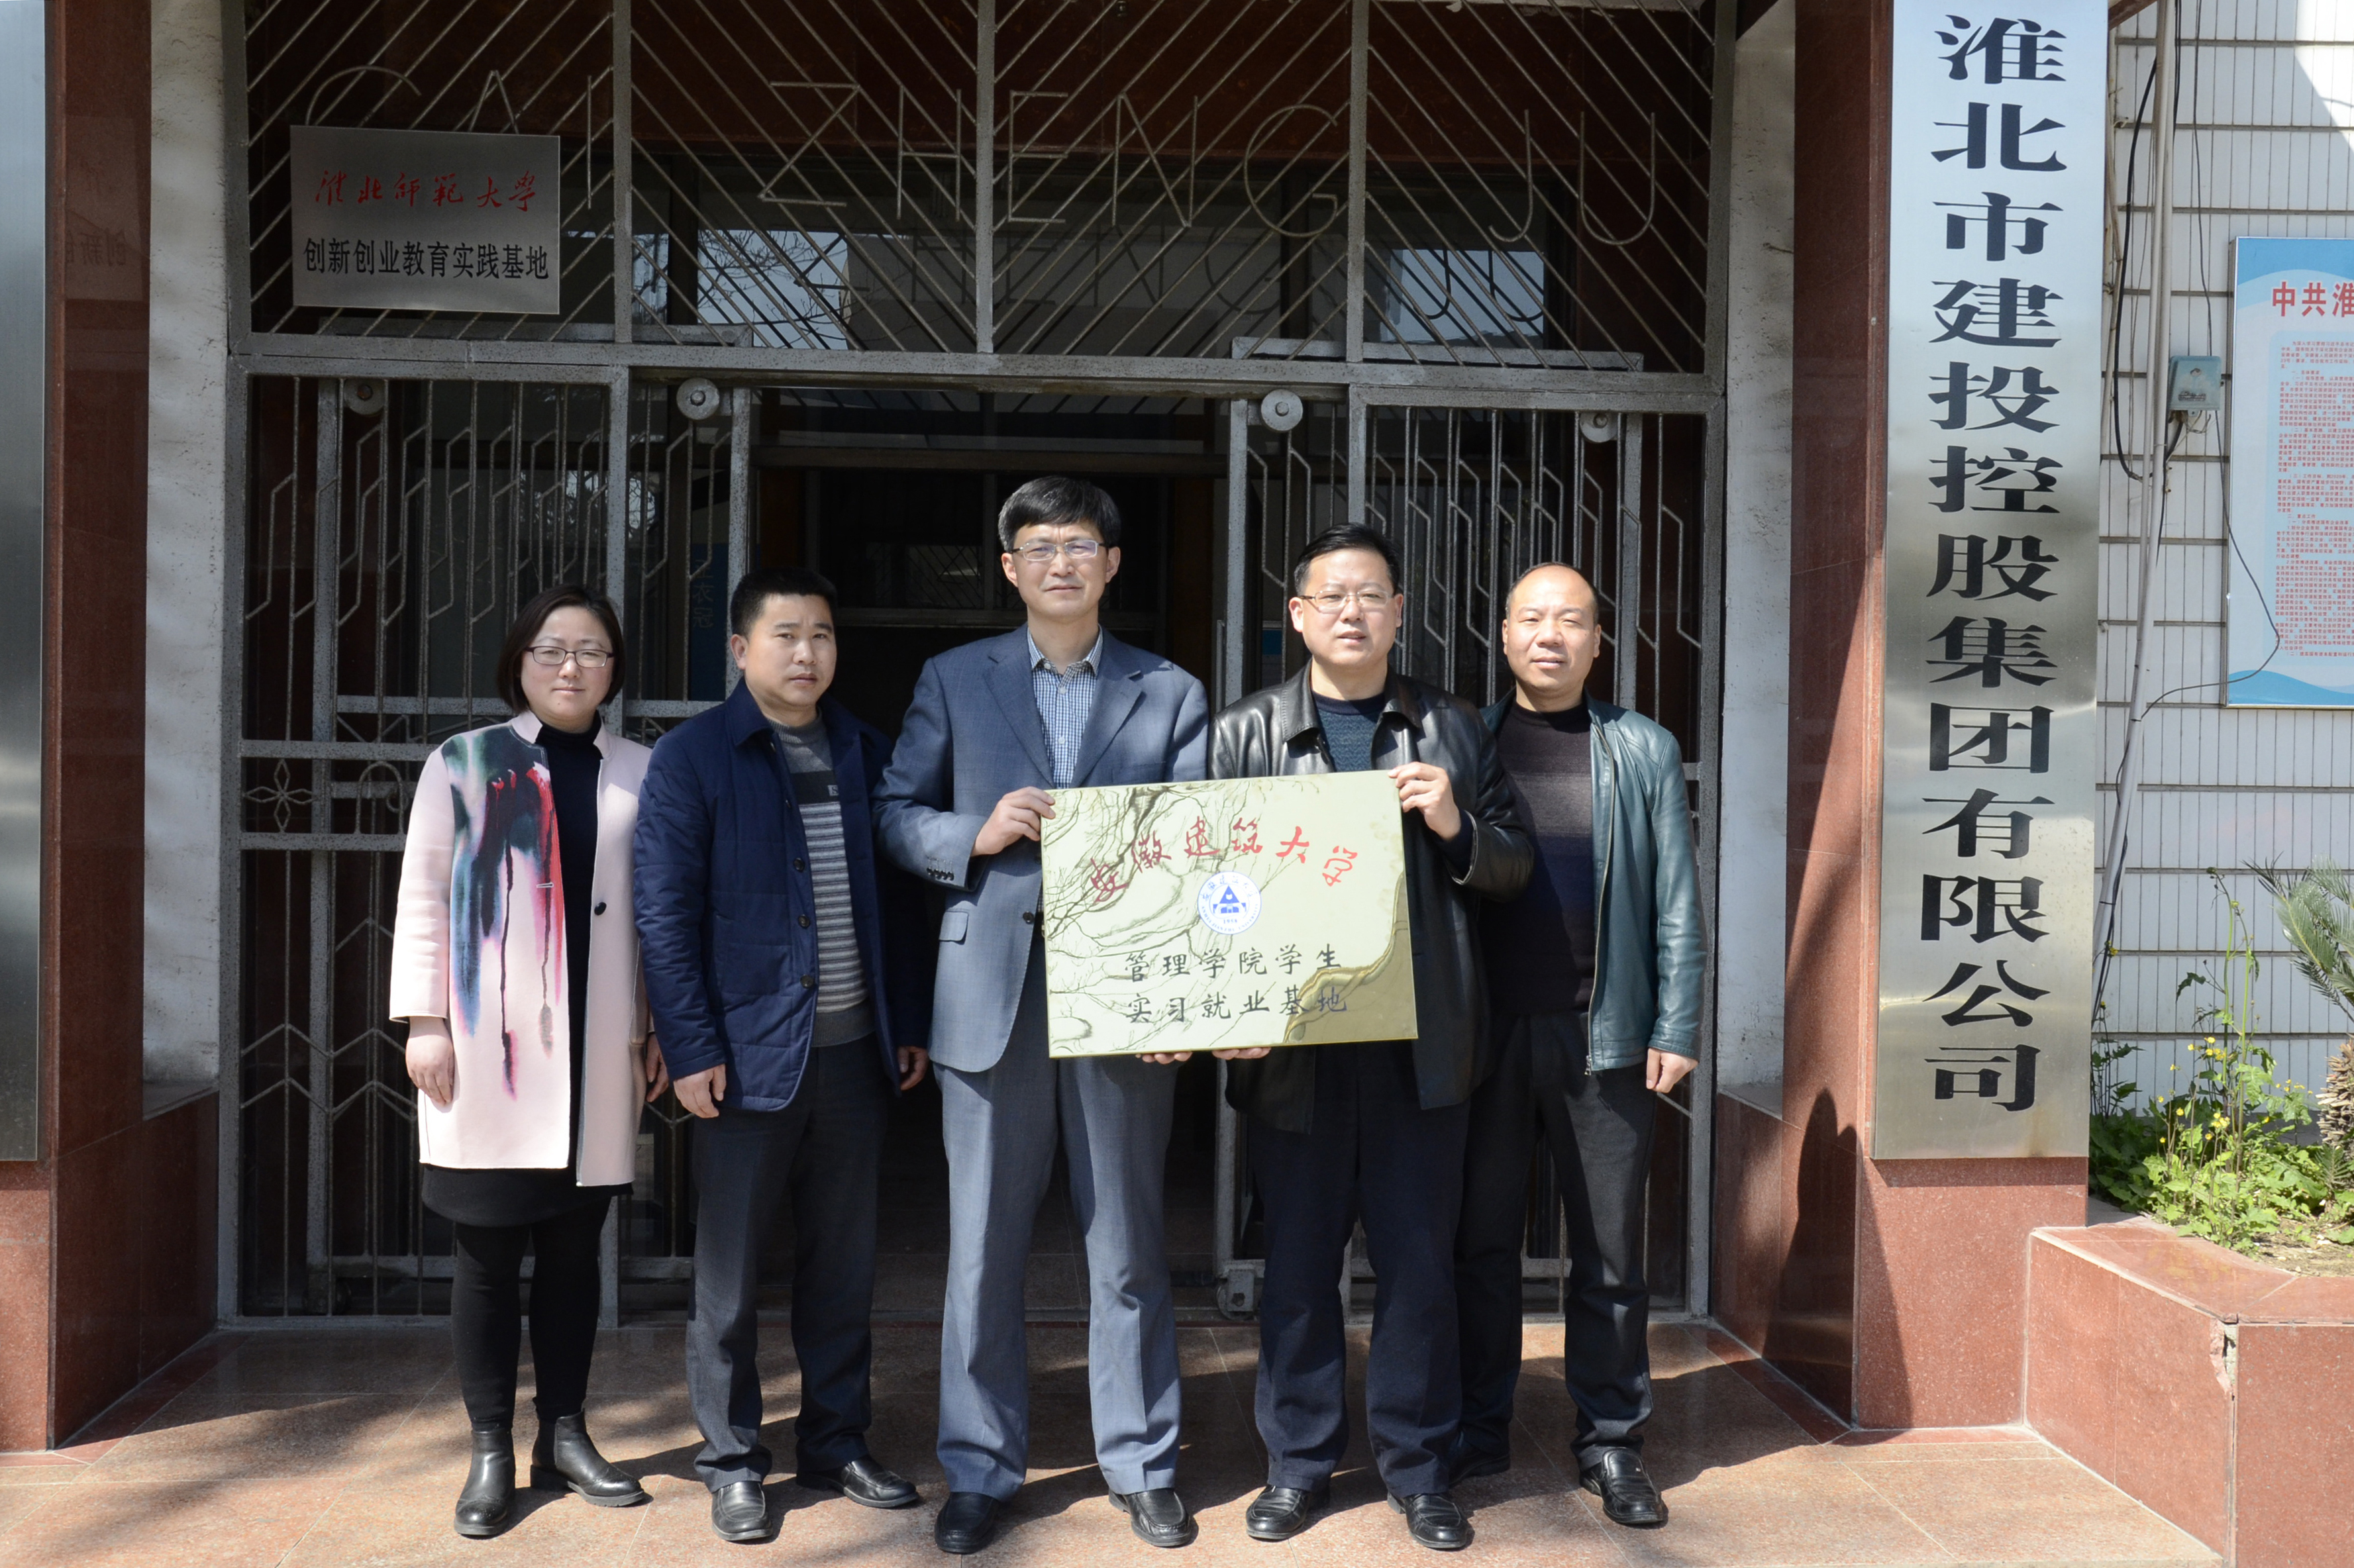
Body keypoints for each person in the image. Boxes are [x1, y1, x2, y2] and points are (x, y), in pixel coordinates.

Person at [876, 475, 1210, 1555]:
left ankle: (1142, 1462)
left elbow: (1201, 846)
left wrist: (1184, 997)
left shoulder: (1169, 690)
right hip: (991, 997)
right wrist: (970, 834)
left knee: (1128, 1245)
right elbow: (894, 812)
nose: (1060, 563)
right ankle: (979, 1467)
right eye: (1039, 547)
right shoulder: (953, 678)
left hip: (1125, 997)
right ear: (1009, 568)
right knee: (981, 1247)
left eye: (1079, 546)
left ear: (1111, 565)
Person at [1210, 524, 1531, 1553]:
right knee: (1297, 1275)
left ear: (1398, 613)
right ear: (1297, 614)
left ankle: (1418, 1469)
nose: (1351, 613)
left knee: (1417, 1273)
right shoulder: (1243, 733)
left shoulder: (1453, 727)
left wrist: (1454, 824)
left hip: (1420, 1050)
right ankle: (1298, 1466)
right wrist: (1225, 1014)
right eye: (1331, 596)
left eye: (1371, 596)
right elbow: (1209, 890)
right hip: (1294, 1055)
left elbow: (1513, 867)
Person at [633, 567, 934, 1544]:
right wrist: (690, 1046)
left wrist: (906, 1022)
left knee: (843, 1269)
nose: (807, 654)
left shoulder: (864, 749)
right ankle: (731, 1461)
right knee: (728, 1282)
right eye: (786, 635)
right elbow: (664, 915)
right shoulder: (693, 758)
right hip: (745, 1058)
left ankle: (837, 1442)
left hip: (853, 1057)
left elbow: (900, 903)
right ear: (740, 649)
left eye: (823, 636)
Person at [390, 585, 668, 1539]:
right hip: (488, 1048)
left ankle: (565, 1432)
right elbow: (425, 894)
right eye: (552, 649)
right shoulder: (463, 763)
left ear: (614, 670)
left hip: (600, 1046)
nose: (570, 667)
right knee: (485, 1254)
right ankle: (489, 1448)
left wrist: (660, 1026)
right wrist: (425, 1020)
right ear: (520, 661)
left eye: (591, 651)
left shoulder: (642, 771)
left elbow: (659, 911)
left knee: (574, 1256)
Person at [1449, 563, 1704, 1531]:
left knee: (1608, 1253)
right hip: (1482, 1038)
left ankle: (1611, 1439)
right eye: (1531, 618)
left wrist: (1675, 1023)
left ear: (1599, 642)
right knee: (1478, 1244)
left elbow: (1676, 896)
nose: (1549, 635)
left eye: (1571, 621)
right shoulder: (1461, 739)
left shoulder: (1641, 747)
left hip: (1607, 1034)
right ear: (1504, 634)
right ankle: (1478, 1425)